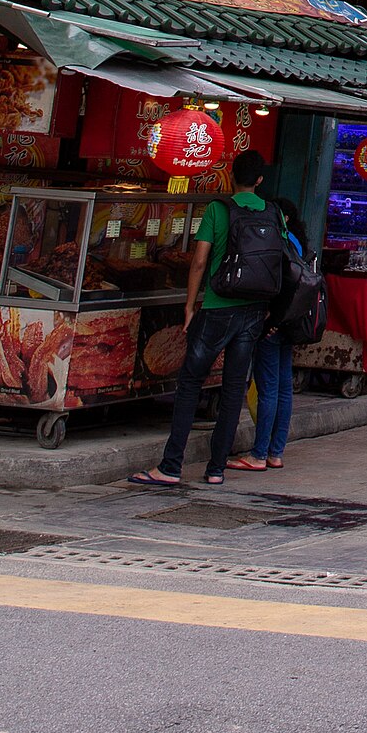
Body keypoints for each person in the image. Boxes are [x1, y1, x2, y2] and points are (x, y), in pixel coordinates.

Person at [129, 149, 286, 491]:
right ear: (260, 180)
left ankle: (171, 466)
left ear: (232, 176)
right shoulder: (274, 213)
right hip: (254, 311)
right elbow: (282, 262)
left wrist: (189, 305)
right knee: (232, 390)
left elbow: (199, 262)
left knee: (189, 385)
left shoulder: (218, 209)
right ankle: (216, 469)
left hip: (216, 308)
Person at [230, 190, 308, 472]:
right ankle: (276, 452)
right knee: (283, 387)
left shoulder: (280, 242)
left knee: (269, 388)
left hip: (274, 324)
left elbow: (276, 284)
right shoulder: (297, 243)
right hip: (290, 323)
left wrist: (271, 319)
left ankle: (259, 453)